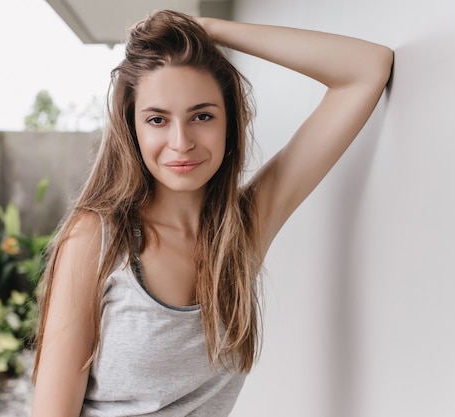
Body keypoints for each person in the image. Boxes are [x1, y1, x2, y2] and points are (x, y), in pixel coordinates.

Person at [30, 9, 393, 416]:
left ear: (229, 124)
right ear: (133, 130)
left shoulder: (243, 228)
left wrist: (212, 29)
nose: (181, 141)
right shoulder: (97, 237)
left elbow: (366, 69)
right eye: (157, 119)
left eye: (202, 116)